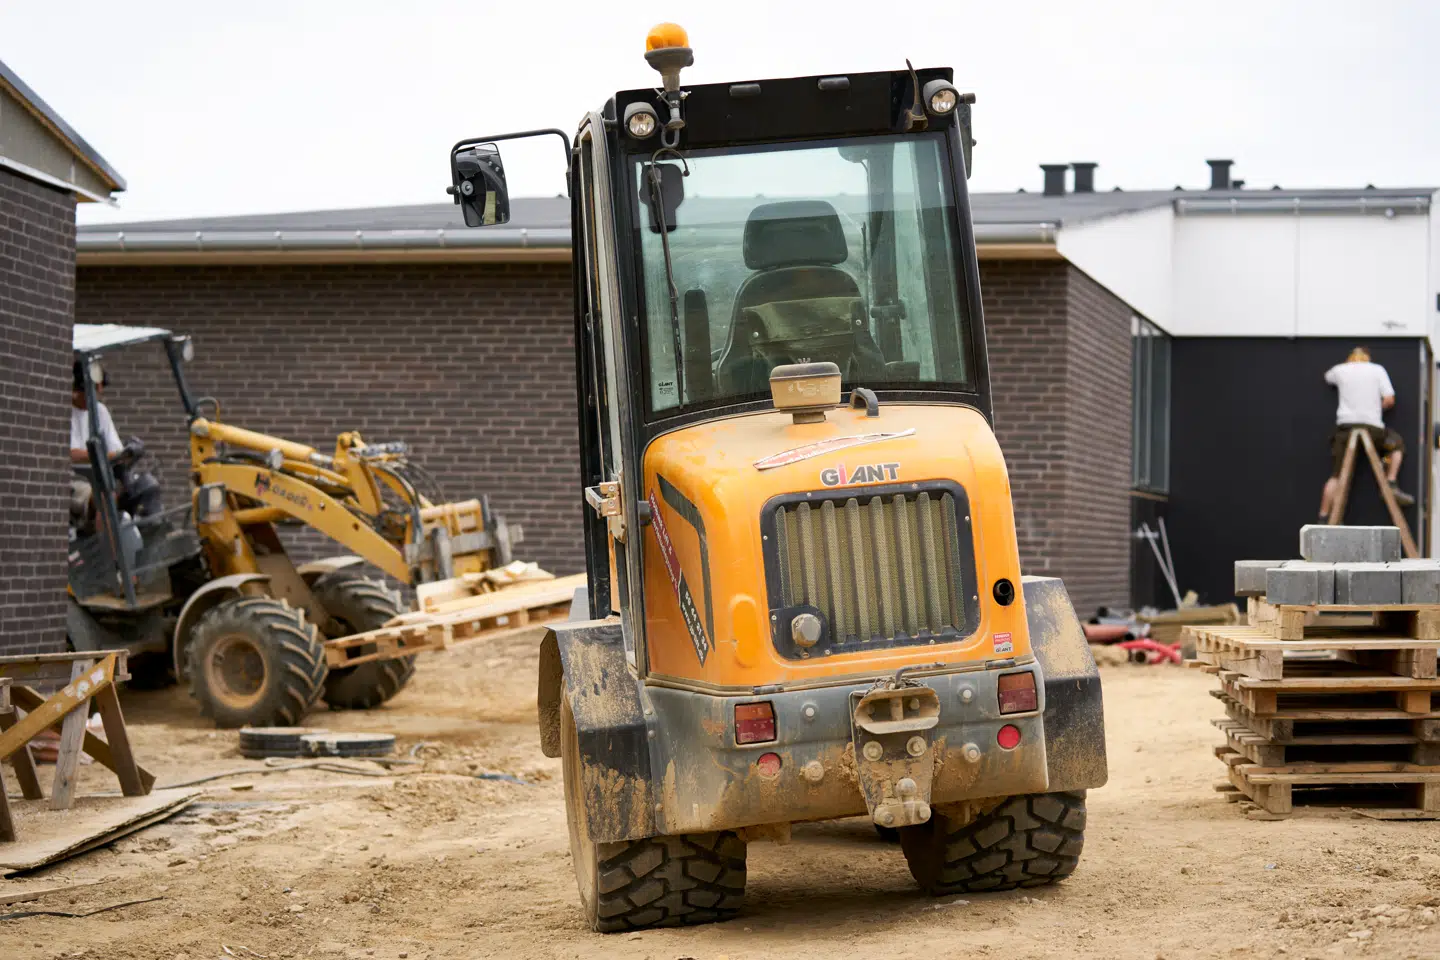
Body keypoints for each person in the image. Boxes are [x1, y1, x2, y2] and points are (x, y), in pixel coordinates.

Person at [1319, 346, 1413, 518]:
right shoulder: (1377, 370)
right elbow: (1389, 399)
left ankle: (1324, 517)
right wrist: (1376, 408)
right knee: (1396, 446)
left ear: (1350, 358)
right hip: (1372, 427)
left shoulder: (1341, 369)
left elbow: (1328, 377)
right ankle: (1391, 482)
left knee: (1337, 475)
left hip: (1345, 429)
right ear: (1367, 357)